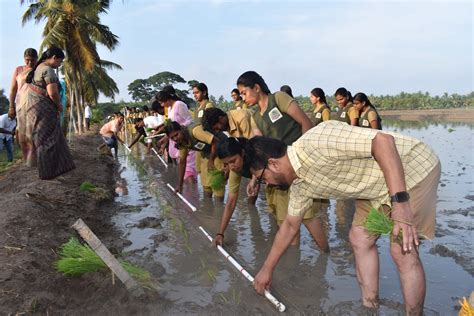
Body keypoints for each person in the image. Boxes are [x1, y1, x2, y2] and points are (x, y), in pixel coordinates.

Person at [247, 121, 440, 314]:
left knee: (402, 250)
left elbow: (383, 141)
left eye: (264, 179)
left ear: (273, 164)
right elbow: (289, 226)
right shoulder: (299, 187)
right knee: (360, 238)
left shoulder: (316, 141)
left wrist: (399, 202)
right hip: (374, 187)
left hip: (412, 170)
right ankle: (369, 307)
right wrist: (267, 269)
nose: (268, 185)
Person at [237, 71, 328, 250]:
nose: (242, 97)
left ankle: (325, 254)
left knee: (308, 216)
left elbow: (306, 124)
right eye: (240, 94)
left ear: (257, 87)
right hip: (277, 174)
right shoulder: (254, 116)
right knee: (285, 219)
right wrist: (255, 179)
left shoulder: (279, 99)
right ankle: (294, 261)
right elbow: (258, 152)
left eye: (244, 92)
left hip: (298, 167)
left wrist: (305, 158)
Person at [18, 47, 75, 179]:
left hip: (35, 110)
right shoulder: (48, 70)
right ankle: (48, 173)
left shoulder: (38, 68)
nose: (59, 65)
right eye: (59, 62)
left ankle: (47, 172)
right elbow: (53, 93)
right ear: (54, 57)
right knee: (49, 141)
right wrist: (59, 105)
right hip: (44, 111)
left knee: (42, 140)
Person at [164, 121, 222, 197]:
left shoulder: (195, 131)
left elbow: (216, 141)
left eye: (176, 135)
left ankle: (219, 204)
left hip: (219, 150)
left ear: (181, 129)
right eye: (172, 138)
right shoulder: (182, 142)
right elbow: (182, 163)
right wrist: (180, 185)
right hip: (206, 153)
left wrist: (211, 159)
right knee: (207, 188)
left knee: (217, 187)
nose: (175, 138)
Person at [155, 90, 197, 182]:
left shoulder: (179, 105)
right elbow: (171, 127)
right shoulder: (170, 109)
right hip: (177, 142)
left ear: (167, 99)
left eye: (162, 102)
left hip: (185, 140)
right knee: (183, 168)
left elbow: (190, 121)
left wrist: (180, 129)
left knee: (189, 170)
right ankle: (188, 192)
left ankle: (192, 192)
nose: (162, 105)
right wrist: (165, 138)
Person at [9, 48, 38, 116]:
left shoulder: (40, 69)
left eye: (32, 60)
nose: (30, 62)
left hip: (36, 105)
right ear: (24, 58)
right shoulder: (19, 70)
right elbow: (13, 90)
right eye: (27, 60)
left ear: (37, 58)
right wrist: (11, 107)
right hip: (21, 104)